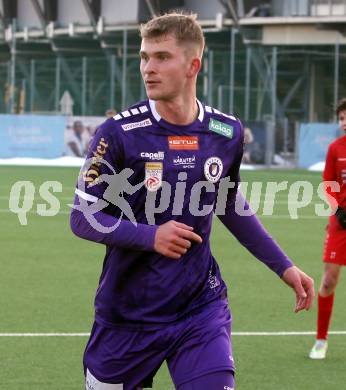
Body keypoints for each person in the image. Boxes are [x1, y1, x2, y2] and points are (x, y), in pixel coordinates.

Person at [70, 12, 314, 390]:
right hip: (127, 314)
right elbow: (83, 218)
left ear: (193, 65)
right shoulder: (117, 133)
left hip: (200, 307)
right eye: (144, 56)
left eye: (162, 57)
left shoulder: (225, 131)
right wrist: (150, 237)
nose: (148, 68)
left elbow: (228, 202)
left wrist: (283, 266)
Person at [309, 98, 346, 360]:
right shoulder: (335, 148)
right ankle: (321, 340)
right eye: (341, 118)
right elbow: (327, 184)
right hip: (340, 222)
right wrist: (338, 210)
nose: (343, 122)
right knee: (328, 280)